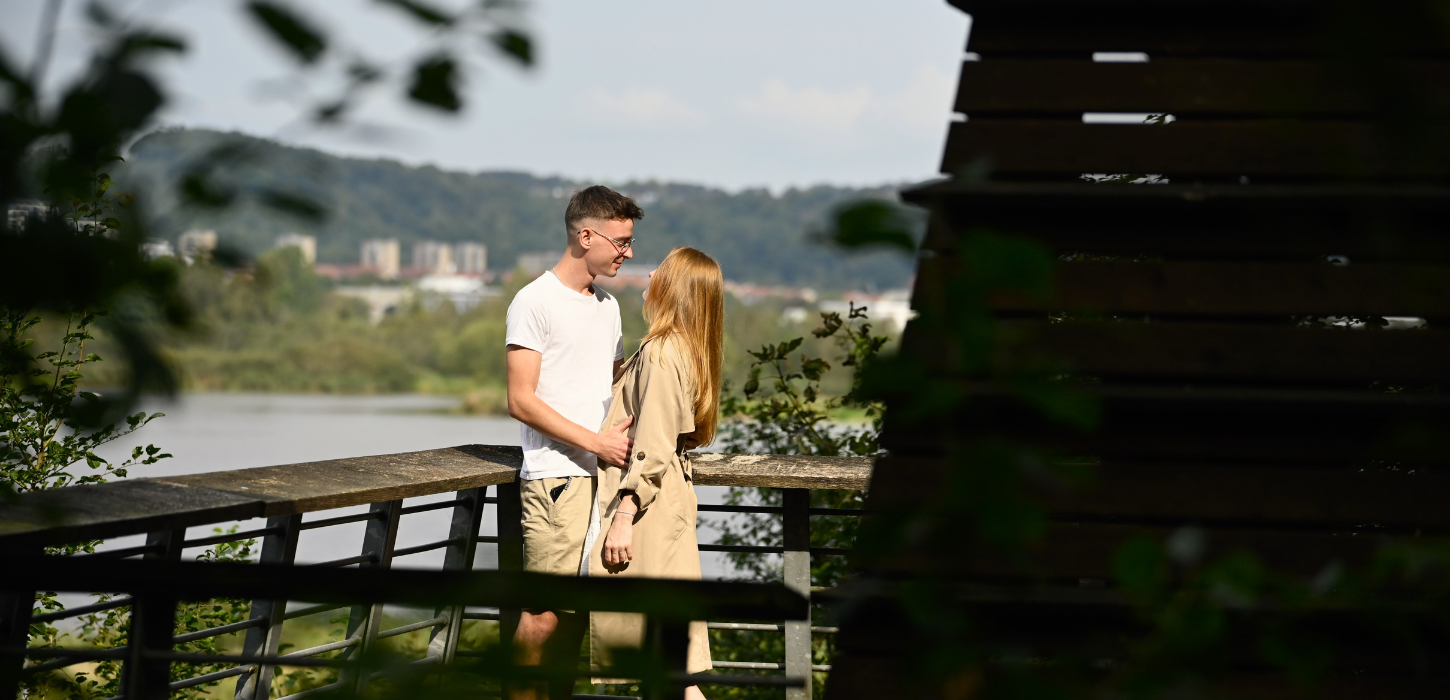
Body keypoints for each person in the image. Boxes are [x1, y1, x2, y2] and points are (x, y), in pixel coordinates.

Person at [505, 185, 644, 700]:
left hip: (605, 480)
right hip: (556, 478)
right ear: (587, 236)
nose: (628, 253)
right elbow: (521, 400)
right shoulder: (533, 301)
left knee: (577, 618)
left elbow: (614, 388)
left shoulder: (608, 307)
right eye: (621, 241)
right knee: (543, 618)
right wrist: (595, 443)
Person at [589, 247, 725, 700]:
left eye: (660, 269)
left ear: (675, 286)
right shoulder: (685, 348)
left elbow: (654, 445)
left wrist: (623, 516)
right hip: (665, 506)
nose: (649, 272)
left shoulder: (663, 350)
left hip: (649, 512)